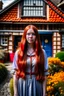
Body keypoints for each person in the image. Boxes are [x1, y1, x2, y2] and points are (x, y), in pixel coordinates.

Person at [12, 25, 48, 96]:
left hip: (37, 84)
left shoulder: (42, 52)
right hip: (22, 84)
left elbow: (45, 74)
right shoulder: (19, 52)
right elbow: (15, 74)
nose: (30, 36)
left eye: (33, 34)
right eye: (28, 34)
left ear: (36, 36)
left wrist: (44, 93)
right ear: (25, 36)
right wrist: (15, 92)